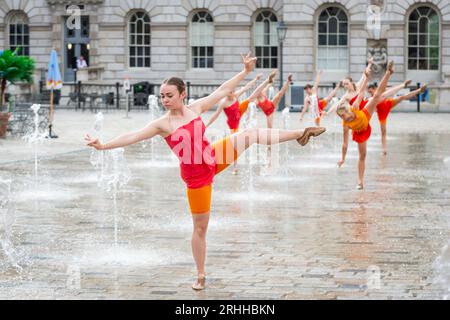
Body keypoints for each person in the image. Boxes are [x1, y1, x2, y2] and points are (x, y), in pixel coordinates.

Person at [85, 53, 326, 291]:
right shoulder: (162, 124)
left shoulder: (194, 108)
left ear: (182, 94)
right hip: (196, 178)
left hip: (213, 157)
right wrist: (103, 145)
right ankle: (200, 275)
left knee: (249, 135)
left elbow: (222, 91)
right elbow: (133, 136)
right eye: (162, 96)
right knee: (200, 229)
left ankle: (300, 133)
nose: (165, 100)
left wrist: (245, 72)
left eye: (169, 95)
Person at [336, 60, 394, 190]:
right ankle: (360, 181)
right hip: (361, 130)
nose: (347, 115)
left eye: (346, 112)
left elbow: (361, 92)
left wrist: (367, 77)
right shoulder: (346, 125)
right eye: (344, 116)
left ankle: (388, 73)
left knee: (376, 97)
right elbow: (344, 144)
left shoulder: (354, 107)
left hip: (364, 114)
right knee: (362, 156)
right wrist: (343, 159)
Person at [367, 81, 427, 155]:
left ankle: (419, 90)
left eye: (371, 91)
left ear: (375, 89)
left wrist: (403, 85)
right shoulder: (371, 98)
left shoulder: (381, 92)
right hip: (382, 113)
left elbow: (393, 90)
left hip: (388, 104)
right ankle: (384, 150)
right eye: (369, 92)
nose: (370, 93)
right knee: (383, 132)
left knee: (402, 97)